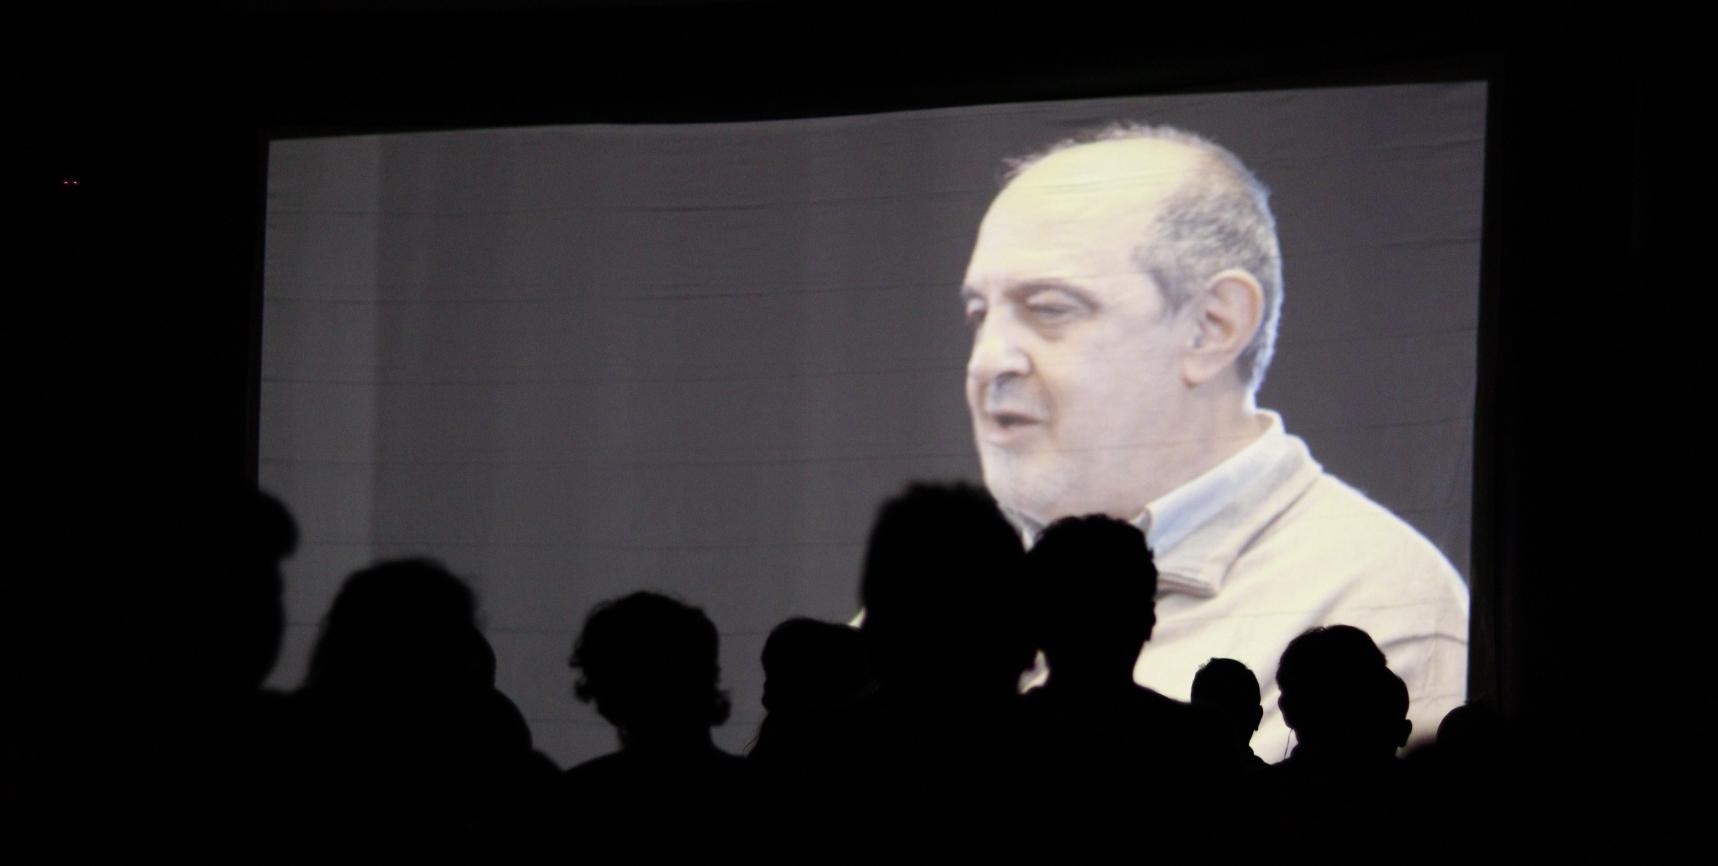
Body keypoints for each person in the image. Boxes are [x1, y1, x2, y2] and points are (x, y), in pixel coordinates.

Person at [958, 123, 1468, 759]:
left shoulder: (1387, 600)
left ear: (1213, 325)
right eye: (979, 314)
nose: (987, 361)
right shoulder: (937, 593)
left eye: (1049, 308)